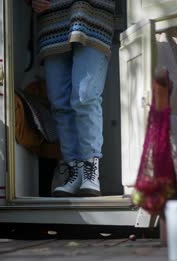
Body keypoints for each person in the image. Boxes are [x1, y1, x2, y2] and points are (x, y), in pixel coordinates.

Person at [28, 0, 116, 196]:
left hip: (93, 15)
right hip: (52, 21)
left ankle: (90, 173)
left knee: (85, 97)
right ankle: (74, 172)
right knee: (60, 103)